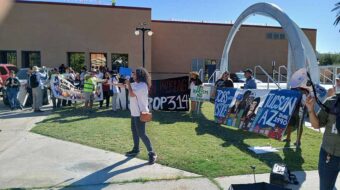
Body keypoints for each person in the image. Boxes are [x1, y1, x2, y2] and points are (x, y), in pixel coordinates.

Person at [306, 74, 340, 190]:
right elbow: (316, 125)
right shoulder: (330, 102)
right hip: (328, 156)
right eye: (338, 81)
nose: (338, 84)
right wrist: (310, 110)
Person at [123, 67, 157, 164]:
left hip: (140, 114)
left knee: (142, 134)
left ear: (139, 75)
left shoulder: (142, 85)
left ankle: (152, 153)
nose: (133, 76)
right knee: (134, 132)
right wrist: (111, 83)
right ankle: (136, 149)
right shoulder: (136, 84)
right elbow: (124, 85)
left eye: (134, 74)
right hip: (134, 113)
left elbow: (132, 94)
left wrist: (128, 84)